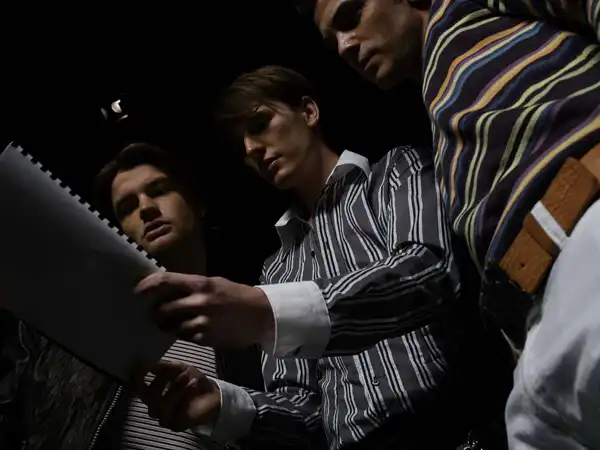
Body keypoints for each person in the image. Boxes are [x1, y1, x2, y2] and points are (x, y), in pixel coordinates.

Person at [133, 65, 499, 450]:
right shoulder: (276, 271)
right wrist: (226, 406)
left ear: (308, 112)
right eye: (242, 147)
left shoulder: (394, 172)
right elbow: (305, 412)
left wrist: (267, 311)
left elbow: (429, 268)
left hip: (457, 432)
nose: (251, 150)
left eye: (259, 124)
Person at [295, 0, 600, 448]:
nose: (344, 46)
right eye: (331, 41)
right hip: (535, 340)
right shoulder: (440, 121)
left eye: (351, 15)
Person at [0, 142, 261, 450]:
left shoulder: (252, 321)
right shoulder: (72, 326)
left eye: (159, 190)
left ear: (197, 204)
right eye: (127, 208)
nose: (146, 208)